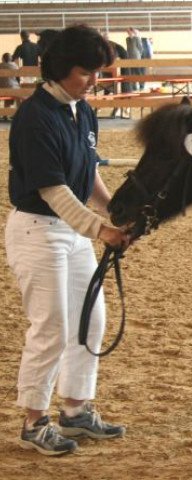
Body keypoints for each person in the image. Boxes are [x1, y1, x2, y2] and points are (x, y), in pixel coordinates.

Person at [5, 24, 131, 457]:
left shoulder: (83, 109)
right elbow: (52, 190)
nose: (94, 79)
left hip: (72, 230)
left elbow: (88, 169)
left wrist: (113, 209)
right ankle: (34, 422)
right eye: (86, 71)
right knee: (52, 328)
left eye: (98, 71)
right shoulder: (34, 118)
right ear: (59, 69)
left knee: (90, 321)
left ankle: (75, 410)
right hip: (39, 231)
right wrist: (101, 229)